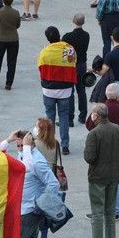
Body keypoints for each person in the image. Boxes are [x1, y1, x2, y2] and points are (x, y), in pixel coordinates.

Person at [5, 127, 59, 238]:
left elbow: (53, 183)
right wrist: (8, 140)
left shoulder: (36, 161)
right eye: (18, 146)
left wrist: (41, 204)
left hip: (29, 210)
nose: (20, 148)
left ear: (31, 145)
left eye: (23, 146)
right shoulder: (24, 155)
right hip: (25, 209)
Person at [83, 104, 119, 238]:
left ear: (97, 116)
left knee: (97, 210)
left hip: (98, 177)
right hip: (114, 175)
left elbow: (89, 157)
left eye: (93, 114)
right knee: (110, 210)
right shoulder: (117, 129)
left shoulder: (94, 134)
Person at [38, 26, 78, 154]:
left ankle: (50, 144)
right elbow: (73, 63)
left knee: (50, 117)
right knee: (64, 117)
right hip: (65, 89)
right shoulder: (69, 49)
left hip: (49, 90)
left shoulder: (45, 52)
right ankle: (65, 145)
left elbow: (40, 68)